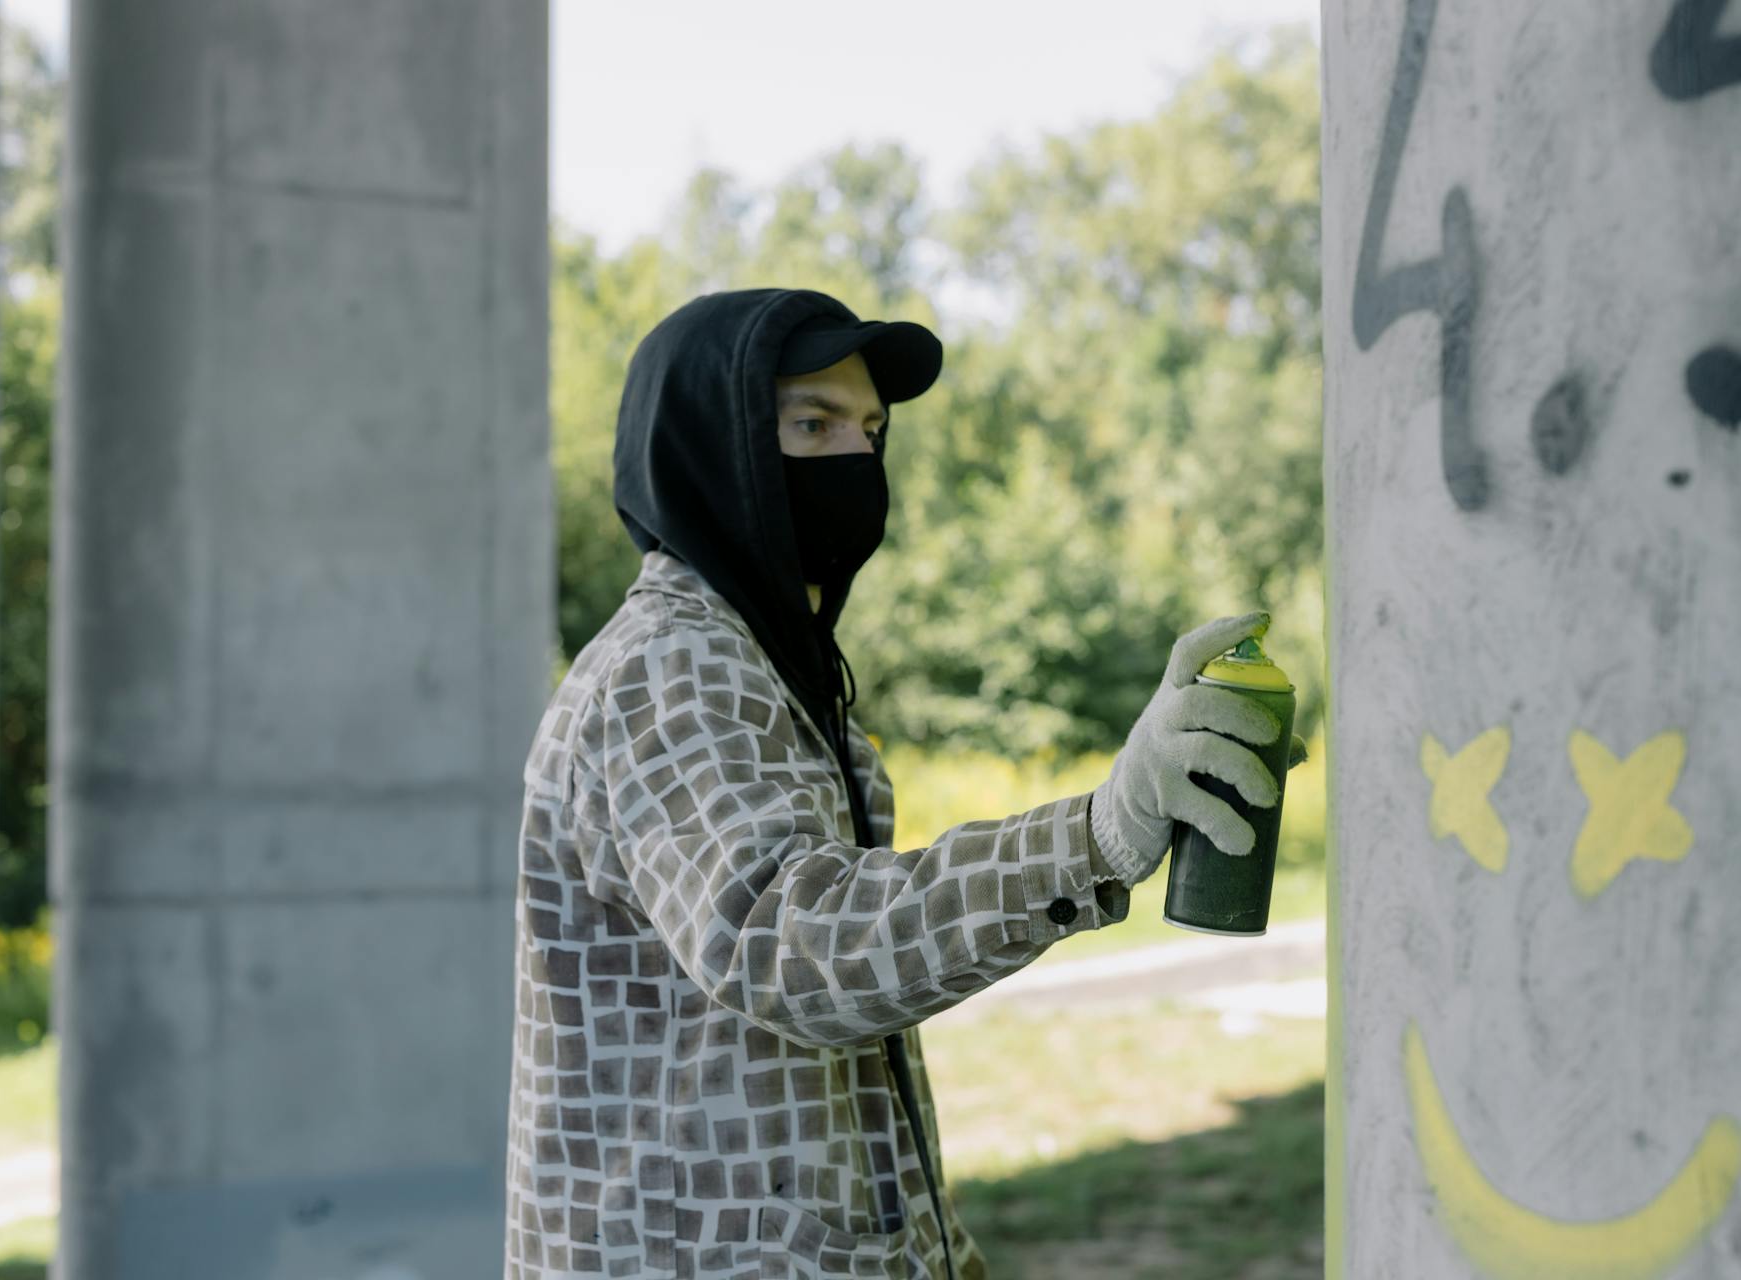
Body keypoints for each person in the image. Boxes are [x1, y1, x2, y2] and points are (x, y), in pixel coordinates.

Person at [504, 286, 1302, 1278]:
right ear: (712, 449)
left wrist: (936, 1252)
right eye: (811, 422)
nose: (855, 457)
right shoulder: (672, 669)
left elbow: (828, 1069)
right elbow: (793, 944)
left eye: (870, 429)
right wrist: (1099, 830)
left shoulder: (763, 662)